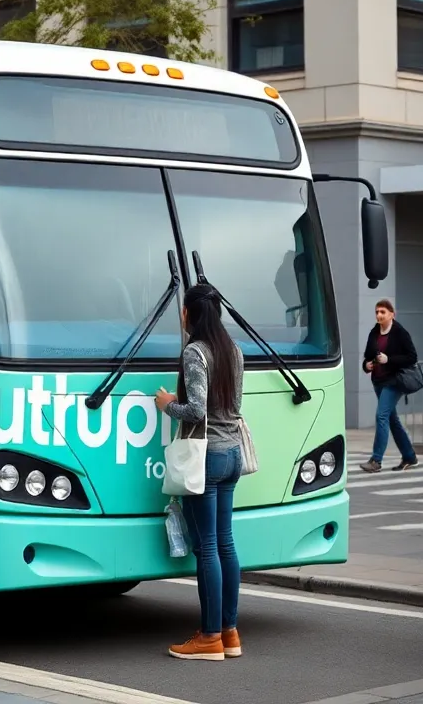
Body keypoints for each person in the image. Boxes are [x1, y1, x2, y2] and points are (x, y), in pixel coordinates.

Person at [155, 284, 245, 662]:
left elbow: (196, 410)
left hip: (204, 456)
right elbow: (234, 405)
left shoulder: (195, 352)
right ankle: (229, 632)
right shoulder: (234, 350)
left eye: (183, 311)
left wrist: (167, 405)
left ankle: (209, 638)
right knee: (225, 543)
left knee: (207, 546)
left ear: (190, 314)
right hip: (232, 454)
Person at [360, 299, 420, 473]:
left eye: (383, 312)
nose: (379, 315)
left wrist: (389, 360)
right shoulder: (374, 332)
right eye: (377, 312)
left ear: (392, 314)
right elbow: (367, 355)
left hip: (394, 381)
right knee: (392, 420)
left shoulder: (400, 332)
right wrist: (367, 365)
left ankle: (376, 460)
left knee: (381, 416)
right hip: (378, 381)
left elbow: (412, 357)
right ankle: (409, 456)